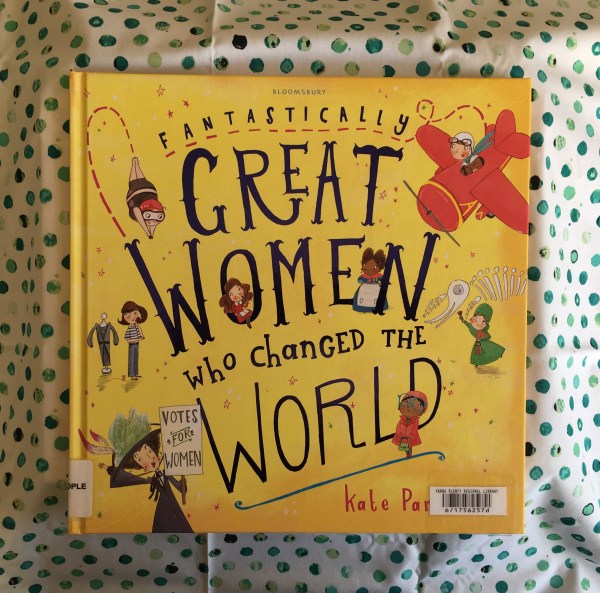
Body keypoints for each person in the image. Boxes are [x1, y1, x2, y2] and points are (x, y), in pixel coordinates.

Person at [126, 157, 165, 238]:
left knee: (137, 180)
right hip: (144, 191)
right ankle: (135, 164)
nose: (152, 222)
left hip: (139, 192)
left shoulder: (135, 213)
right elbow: (150, 221)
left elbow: (138, 212)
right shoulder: (138, 213)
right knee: (140, 179)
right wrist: (149, 233)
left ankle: (135, 164)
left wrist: (149, 234)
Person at [392, 391, 428, 457]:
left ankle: (409, 455)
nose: (409, 406)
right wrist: (400, 435)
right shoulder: (402, 419)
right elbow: (399, 426)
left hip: (410, 437)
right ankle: (407, 454)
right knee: (405, 446)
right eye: (406, 402)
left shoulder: (415, 421)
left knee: (409, 445)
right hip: (402, 437)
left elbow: (414, 429)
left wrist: (410, 436)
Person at [352, 247, 388, 312]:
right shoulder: (364, 276)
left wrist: (379, 282)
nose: (369, 270)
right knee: (362, 298)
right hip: (364, 289)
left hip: (376, 289)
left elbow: (383, 282)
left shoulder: (379, 276)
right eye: (365, 265)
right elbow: (359, 280)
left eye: (375, 266)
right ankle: (361, 307)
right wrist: (365, 280)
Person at [118, 300, 147, 379]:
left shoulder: (136, 326)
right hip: (132, 345)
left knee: (135, 359)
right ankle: (132, 375)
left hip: (136, 344)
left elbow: (141, 334)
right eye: (128, 315)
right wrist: (135, 339)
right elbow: (127, 339)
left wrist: (139, 337)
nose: (132, 317)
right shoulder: (129, 328)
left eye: (135, 313)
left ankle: (135, 374)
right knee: (132, 359)